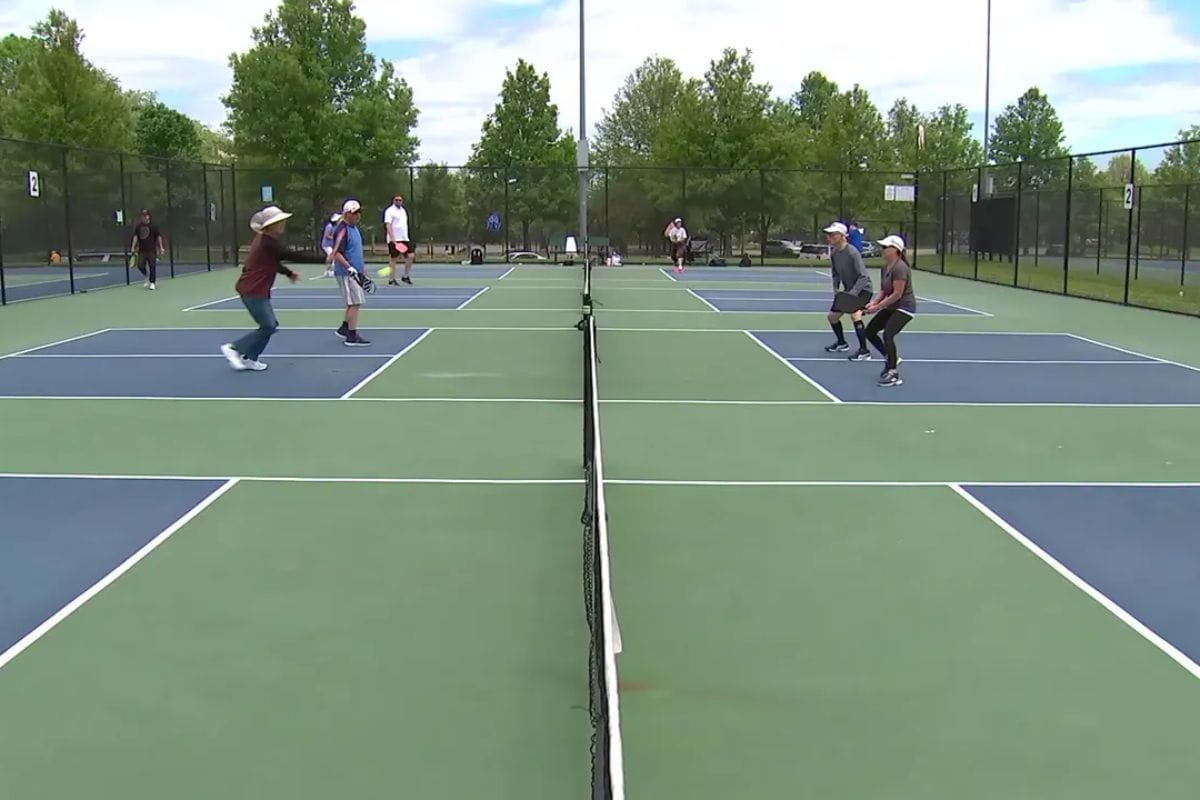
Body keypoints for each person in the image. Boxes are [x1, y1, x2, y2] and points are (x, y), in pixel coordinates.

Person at [220, 206, 326, 372]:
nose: (282, 224)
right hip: (252, 290)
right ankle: (234, 348)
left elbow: (273, 262)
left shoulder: (266, 241)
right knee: (269, 326)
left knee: (270, 325)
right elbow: (291, 255)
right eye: (279, 221)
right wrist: (325, 259)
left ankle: (250, 358)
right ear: (270, 225)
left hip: (257, 289)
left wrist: (288, 273)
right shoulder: (267, 242)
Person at [863, 234, 917, 387]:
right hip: (892, 307)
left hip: (905, 308)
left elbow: (897, 294)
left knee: (888, 334)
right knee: (870, 332)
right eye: (883, 247)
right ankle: (890, 358)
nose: (883, 249)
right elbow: (884, 290)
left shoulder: (900, 268)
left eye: (886, 247)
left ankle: (893, 372)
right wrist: (874, 303)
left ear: (896, 250)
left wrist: (878, 307)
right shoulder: (885, 267)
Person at [821, 221, 873, 359]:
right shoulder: (834, 253)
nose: (829, 237)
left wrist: (852, 294)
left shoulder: (852, 252)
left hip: (863, 290)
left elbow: (863, 277)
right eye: (828, 235)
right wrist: (836, 289)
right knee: (832, 317)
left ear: (842, 236)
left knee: (855, 315)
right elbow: (835, 274)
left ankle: (864, 351)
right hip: (849, 291)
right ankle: (842, 343)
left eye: (832, 234)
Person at [327, 199, 372, 346]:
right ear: (346, 214)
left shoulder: (354, 228)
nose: (358, 215)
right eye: (354, 213)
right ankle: (351, 336)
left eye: (359, 212)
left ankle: (344, 328)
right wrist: (349, 268)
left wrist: (362, 268)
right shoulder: (342, 230)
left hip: (355, 272)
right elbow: (337, 253)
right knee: (355, 303)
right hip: (347, 273)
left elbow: (355, 251)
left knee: (352, 302)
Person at [384, 193, 415, 285]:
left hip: (404, 238)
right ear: (393, 201)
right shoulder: (389, 211)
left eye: (400, 200)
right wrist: (393, 239)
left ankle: (405, 276)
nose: (398, 201)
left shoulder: (403, 211)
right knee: (394, 259)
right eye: (396, 200)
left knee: (411, 255)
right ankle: (391, 279)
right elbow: (388, 225)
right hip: (395, 239)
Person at [129, 209, 164, 290]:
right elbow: (136, 237)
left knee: (152, 266)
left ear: (148, 216)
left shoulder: (154, 226)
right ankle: (147, 276)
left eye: (145, 216)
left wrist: (161, 247)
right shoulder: (139, 226)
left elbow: (158, 236)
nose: (144, 217)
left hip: (151, 250)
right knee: (140, 265)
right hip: (142, 250)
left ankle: (152, 283)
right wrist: (133, 247)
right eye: (142, 216)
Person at [320, 211, 342, 278]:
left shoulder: (335, 227)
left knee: (333, 256)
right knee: (331, 255)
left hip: (331, 245)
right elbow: (327, 235)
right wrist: (334, 238)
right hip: (326, 245)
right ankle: (327, 271)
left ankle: (331, 271)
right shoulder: (329, 226)